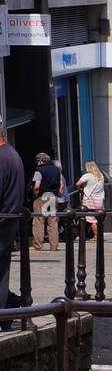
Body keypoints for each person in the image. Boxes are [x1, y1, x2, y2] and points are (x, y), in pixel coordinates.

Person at [0, 123, 25, 324]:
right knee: (2, 272)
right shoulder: (11, 154)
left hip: (3, 221)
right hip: (8, 222)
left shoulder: (2, 157)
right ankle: (5, 314)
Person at [30, 152, 64, 252]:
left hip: (42, 196)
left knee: (39, 221)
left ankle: (38, 245)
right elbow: (61, 184)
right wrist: (56, 193)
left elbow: (36, 186)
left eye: (37, 161)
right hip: (53, 196)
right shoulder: (56, 170)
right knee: (52, 221)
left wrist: (35, 196)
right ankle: (54, 246)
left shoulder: (39, 170)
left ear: (40, 161)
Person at [75, 161, 106, 241]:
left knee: (91, 219)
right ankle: (99, 234)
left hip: (90, 198)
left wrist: (80, 190)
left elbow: (77, 184)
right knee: (98, 218)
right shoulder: (101, 176)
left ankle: (96, 236)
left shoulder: (87, 176)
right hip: (99, 199)